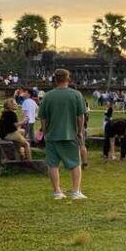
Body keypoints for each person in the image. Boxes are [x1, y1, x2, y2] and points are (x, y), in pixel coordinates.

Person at [38, 69, 86, 200]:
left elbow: (43, 118)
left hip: (52, 135)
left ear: (55, 79)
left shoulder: (48, 96)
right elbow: (80, 116)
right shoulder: (76, 95)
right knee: (75, 163)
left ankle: (57, 191)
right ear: (68, 78)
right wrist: (80, 131)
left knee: (53, 164)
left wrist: (45, 132)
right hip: (70, 134)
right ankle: (75, 191)